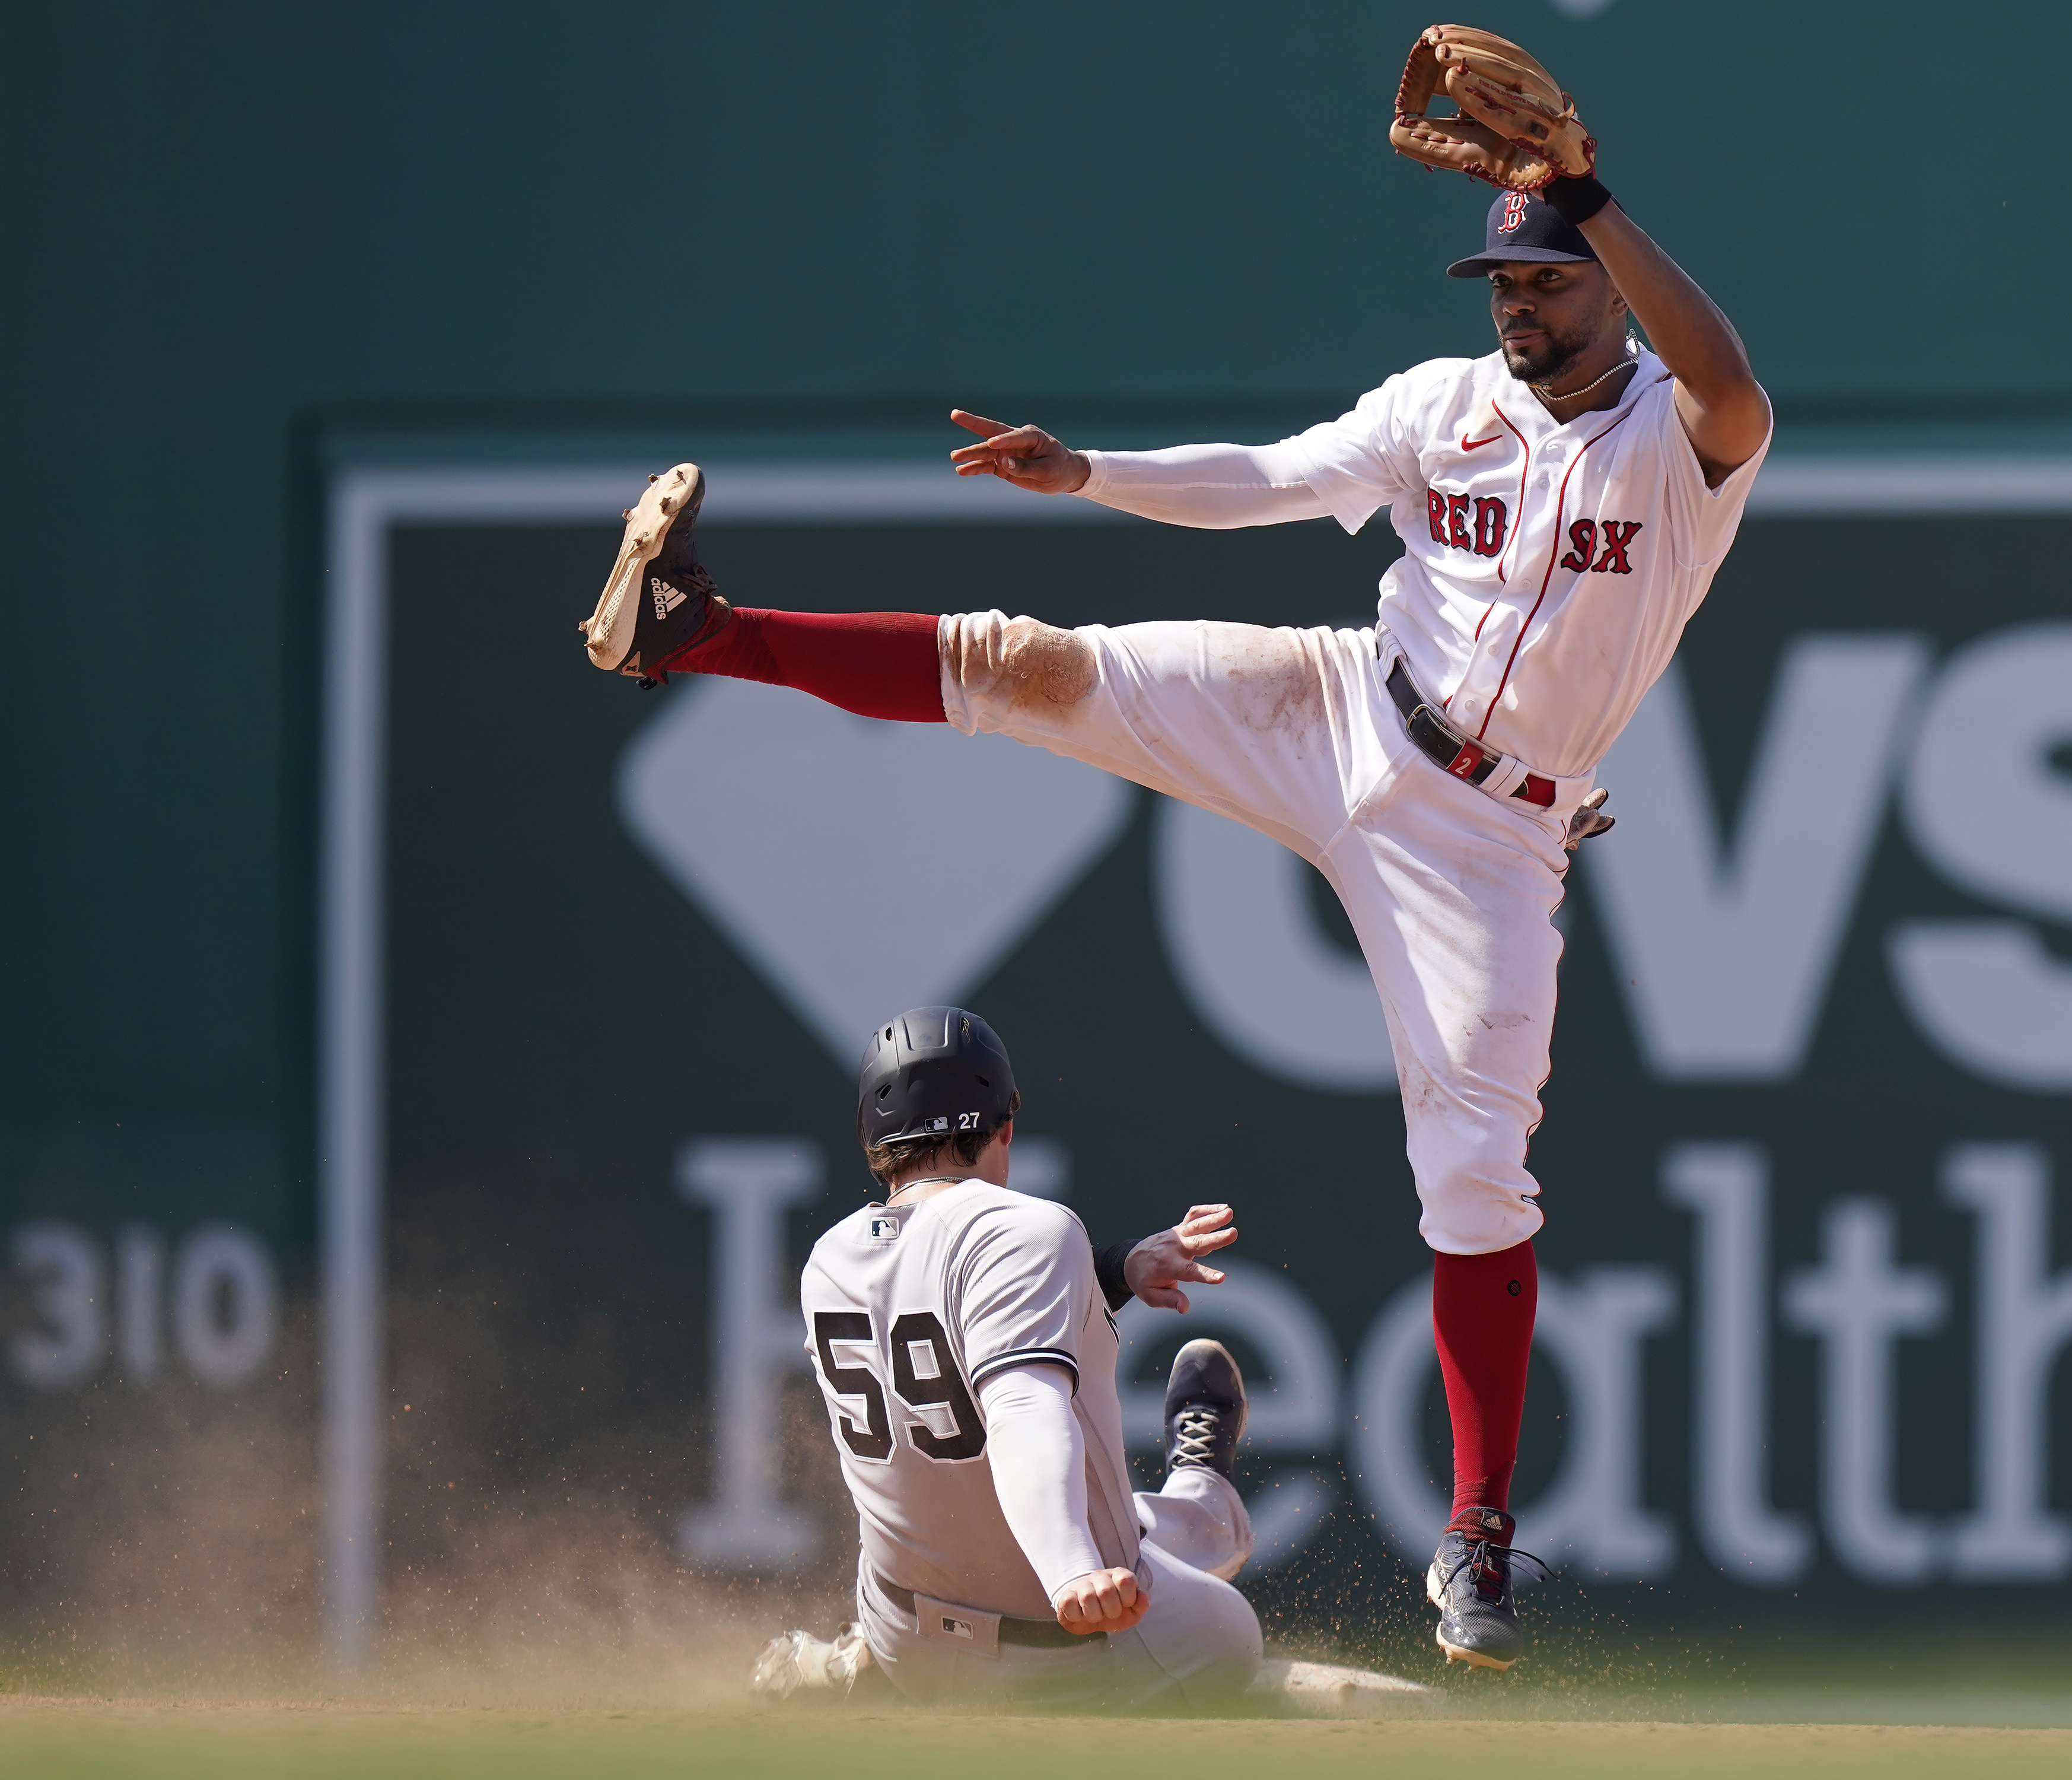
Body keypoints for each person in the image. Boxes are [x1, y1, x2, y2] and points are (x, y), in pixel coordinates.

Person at [588, 166, 1769, 1671]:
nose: (1516, 306)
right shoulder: (1443, 404)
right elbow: (1268, 478)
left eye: (1542, 280)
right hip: (1344, 702)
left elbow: (1729, 379)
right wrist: (1090, 471)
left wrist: (1593, 200)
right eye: (1500, 284)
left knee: (1475, 1175)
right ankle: (700, 634)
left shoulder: (1680, 435)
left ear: (1606, 280)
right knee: (1028, 664)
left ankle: (1473, 1534)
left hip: (1490, 832)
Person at [753, 1005, 1261, 1708]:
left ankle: (854, 1665)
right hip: (1060, 1646)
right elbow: (1023, 1410)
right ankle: (1207, 1497)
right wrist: (1071, 1571)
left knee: (1088, 1513)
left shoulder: (830, 1260)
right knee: (1233, 1631)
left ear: (873, 1140)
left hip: (903, 1632)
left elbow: (947, 1312)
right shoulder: (1028, 1227)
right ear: (1005, 1128)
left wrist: (1112, 1270)